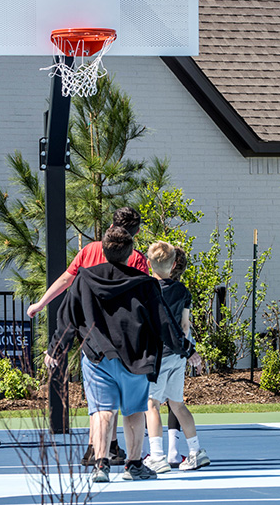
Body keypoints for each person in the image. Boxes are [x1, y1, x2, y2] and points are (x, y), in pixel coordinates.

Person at [46, 226, 192, 483]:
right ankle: (133, 465)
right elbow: (164, 323)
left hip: (98, 357)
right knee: (134, 412)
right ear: (131, 253)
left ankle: (101, 465)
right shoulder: (145, 284)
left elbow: (68, 317)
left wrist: (56, 350)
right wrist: (187, 350)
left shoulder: (84, 279)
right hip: (135, 357)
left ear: (103, 250)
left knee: (102, 411)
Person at [27, 205, 149, 466]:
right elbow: (145, 299)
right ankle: (119, 454)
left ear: (110, 228)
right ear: (135, 234)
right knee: (125, 404)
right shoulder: (136, 259)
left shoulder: (89, 251)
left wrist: (42, 303)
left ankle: (96, 449)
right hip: (123, 339)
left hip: (92, 336)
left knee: (100, 402)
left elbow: (66, 281)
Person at [142, 242, 209, 473]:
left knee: (151, 404)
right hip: (178, 355)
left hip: (158, 356)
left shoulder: (147, 289)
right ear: (173, 266)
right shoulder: (182, 291)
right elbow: (185, 325)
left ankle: (157, 456)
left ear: (148, 264)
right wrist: (186, 350)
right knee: (177, 404)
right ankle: (196, 451)